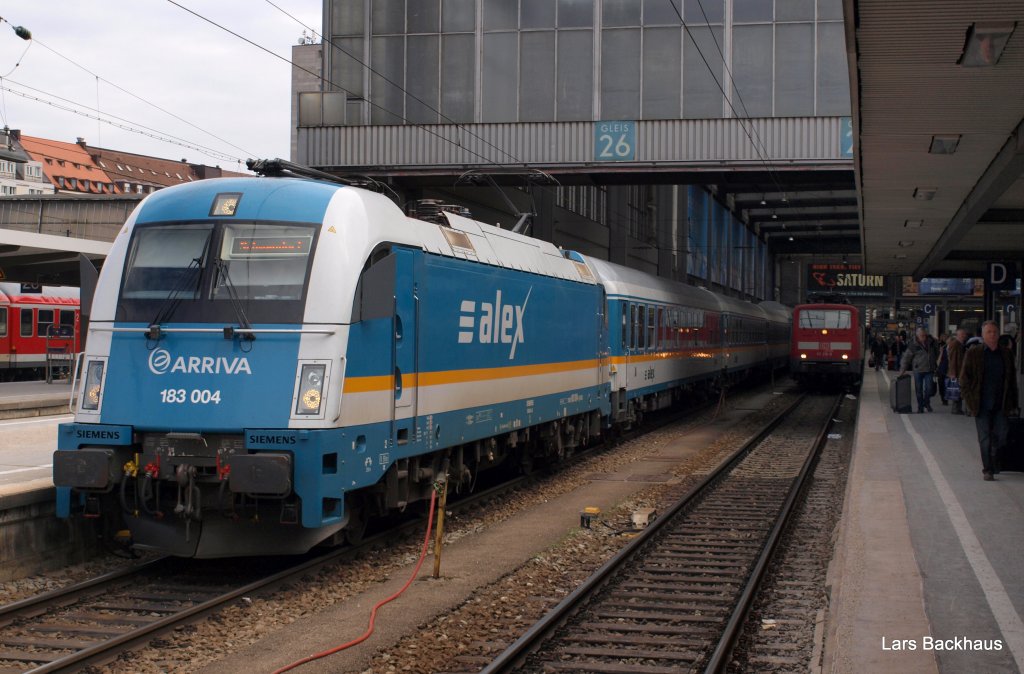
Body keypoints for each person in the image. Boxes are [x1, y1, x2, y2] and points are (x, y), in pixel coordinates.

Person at [959, 320, 1020, 481]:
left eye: (994, 332)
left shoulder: (1006, 354)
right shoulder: (974, 353)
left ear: (998, 334)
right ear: (983, 335)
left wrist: (1014, 402)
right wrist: (970, 401)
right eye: (989, 332)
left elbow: (1011, 380)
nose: (992, 335)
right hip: (981, 403)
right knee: (984, 438)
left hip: (1001, 403)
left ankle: (994, 458)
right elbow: (964, 379)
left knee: (1002, 435)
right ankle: (988, 469)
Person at [899, 327, 939, 413]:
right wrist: (902, 370)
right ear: (917, 335)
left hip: (929, 369)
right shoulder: (913, 344)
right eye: (921, 336)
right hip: (918, 370)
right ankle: (920, 407)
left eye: (924, 335)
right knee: (918, 389)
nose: (923, 337)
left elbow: (937, 353)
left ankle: (926, 402)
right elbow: (906, 358)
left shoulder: (932, 342)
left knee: (929, 388)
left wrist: (934, 363)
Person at [946, 328, 968, 415]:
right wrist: (953, 373)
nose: (964, 336)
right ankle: (956, 409)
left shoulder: (961, 344)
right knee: (956, 390)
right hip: (957, 371)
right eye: (962, 334)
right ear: (957, 335)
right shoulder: (955, 344)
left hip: (959, 371)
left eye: (964, 334)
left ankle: (957, 408)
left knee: (958, 390)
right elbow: (952, 359)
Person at [936, 332, 949, 404]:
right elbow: (938, 362)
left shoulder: (950, 347)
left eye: (946, 338)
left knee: (946, 385)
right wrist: (941, 352)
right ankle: (943, 398)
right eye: (943, 338)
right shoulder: (940, 347)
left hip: (948, 369)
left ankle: (945, 398)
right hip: (941, 369)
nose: (945, 339)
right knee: (941, 385)